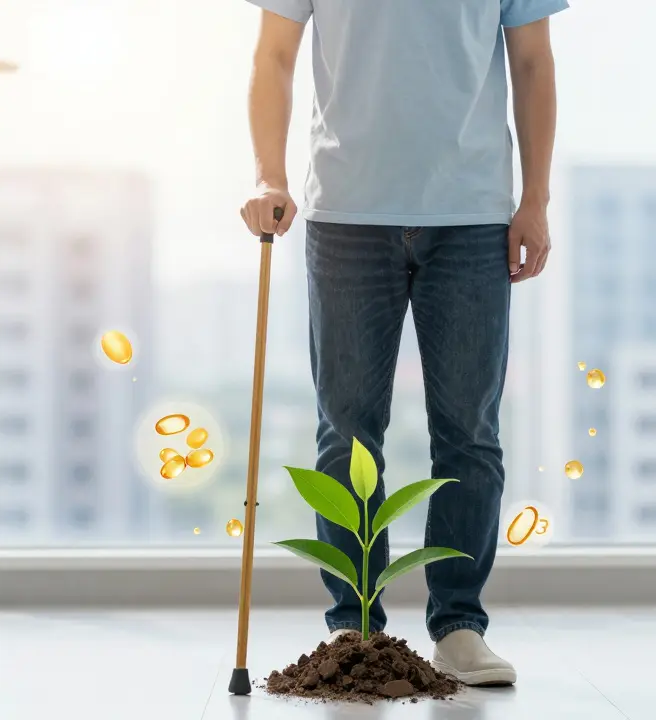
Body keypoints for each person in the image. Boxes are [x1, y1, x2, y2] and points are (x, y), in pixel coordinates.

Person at [239, 0, 564, 687]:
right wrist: (269, 173)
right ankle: (356, 627)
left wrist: (534, 199)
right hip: (348, 213)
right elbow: (274, 54)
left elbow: (532, 60)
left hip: (473, 214)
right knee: (348, 433)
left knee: (469, 434)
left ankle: (459, 628)